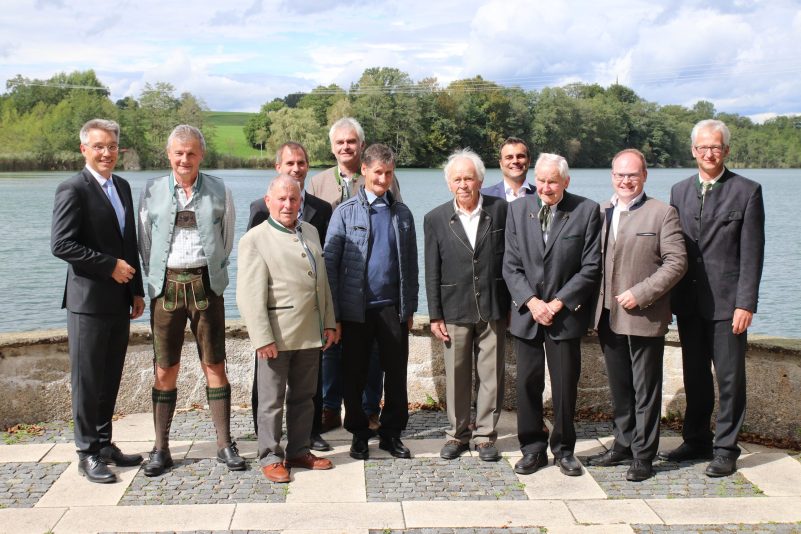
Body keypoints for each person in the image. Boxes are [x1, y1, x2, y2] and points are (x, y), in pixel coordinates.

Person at [659, 119, 765, 477]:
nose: (709, 153)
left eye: (715, 147)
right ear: (693, 150)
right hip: (688, 304)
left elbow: (752, 254)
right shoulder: (679, 190)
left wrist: (746, 302)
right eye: (702, 147)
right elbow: (673, 250)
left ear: (726, 151)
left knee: (730, 379)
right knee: (695, 375)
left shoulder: (747, 191)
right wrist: (669, 300)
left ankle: (725, 448)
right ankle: (697, 439)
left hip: (728, 305)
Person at [137, 124, 244, 476]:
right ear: (169, 155)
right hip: (166, 287)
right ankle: (160, 448)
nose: (185, 159)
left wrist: (210, 269)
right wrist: (160, 276)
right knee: (165, 368)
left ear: (201, 155)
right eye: (179, 153)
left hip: (206, 285)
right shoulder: (151, 190)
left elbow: (226, 239)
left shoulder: (219, 189)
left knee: (215, 365)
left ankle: (225, 444)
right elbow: (145, 243)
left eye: (191, 153)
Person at [51, 118, 145, 483]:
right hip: (87, 301)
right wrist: (109, 267)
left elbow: (129, 241)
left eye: (111, 146)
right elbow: (62, 244)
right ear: (84, 149)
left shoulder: (121, 186)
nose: (106, 153)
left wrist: (135, 290)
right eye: (99, 146)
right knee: (88, 381)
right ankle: (87, 452)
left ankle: (105, 445)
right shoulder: (71, 188)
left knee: (109, 378)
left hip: (119, 299)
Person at [587, 149, 687, 482]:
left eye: (632, 175)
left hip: (644, 316)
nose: (625, 181)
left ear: (644, 176)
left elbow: (677, 263)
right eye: (619, 175)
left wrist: (641, 293)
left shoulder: (663, 213)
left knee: (646, 389)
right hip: (606, 316)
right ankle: (623, 443)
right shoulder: (601, 212)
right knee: (620, 387)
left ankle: (643, 454)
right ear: (612, 176)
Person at [503, 153, 601, 477]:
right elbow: (510, 265)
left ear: (565, 182)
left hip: (564, 317)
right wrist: (532, 302)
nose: (546, 187)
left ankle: (564, 450)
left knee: (563, 387)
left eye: (553, 182)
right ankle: (532, 449)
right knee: (527, 386)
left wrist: (557, 303)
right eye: (542, 180)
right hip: (527, 315)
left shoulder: (586, 211)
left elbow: (590, 268)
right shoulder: (517, 209)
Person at [237, 176, 337, 483]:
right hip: (276, 337)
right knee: (270, 401)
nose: (288, 204)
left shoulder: (310, 231)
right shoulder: (254, 239)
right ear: (268, 202)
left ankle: (298, 450)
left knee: (304, 397)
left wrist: (330, 322)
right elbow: (248, 295)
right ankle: (270, 455)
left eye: (293, 199)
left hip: (309, 332)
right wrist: (262, 337)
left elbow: (322, 282)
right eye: (281, 199)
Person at [324, 143, 418, 460]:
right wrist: (333, 315)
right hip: (356, 311)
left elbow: (411, 264)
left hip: (393, 308)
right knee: (355, 375)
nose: (383, 179)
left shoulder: (402, 214)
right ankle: (359, 434)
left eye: (389, 173)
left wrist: (410, 308)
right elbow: (330, 266)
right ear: (364, 170)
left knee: (395, 375)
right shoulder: (344, 213)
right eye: (378, 172)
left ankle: (391, 434)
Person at [309, 117, 396, 434]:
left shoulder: (379, 175)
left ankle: (369, 408)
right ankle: (330, 408)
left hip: (371, 283)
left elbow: (393, 225)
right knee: (331, 347)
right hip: (332, 278)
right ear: (332, 147)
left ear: (361, 145)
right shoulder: (318, 182)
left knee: (372, 351)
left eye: (351, 142)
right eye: (340, 142)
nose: (346, 147)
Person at [424, 149, 509, 462]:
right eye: (457, 179)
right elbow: (431, 270)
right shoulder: (434, 218)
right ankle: (457, 436)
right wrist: (435, 315)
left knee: (491, 376)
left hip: (493, 307)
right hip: (454, 309)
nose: (463, 184)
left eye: (468, 178)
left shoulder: (501, 211)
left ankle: (485, 436)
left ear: (480, 181)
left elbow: (511, 260)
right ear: (449, 184)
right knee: (457, 376)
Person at [481, 137, 536, 201]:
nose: (515, 161)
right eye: (509, 157)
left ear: (529, 161)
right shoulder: (483, 196)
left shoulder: (542, 196)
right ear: (501, 163)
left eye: (520, 156)